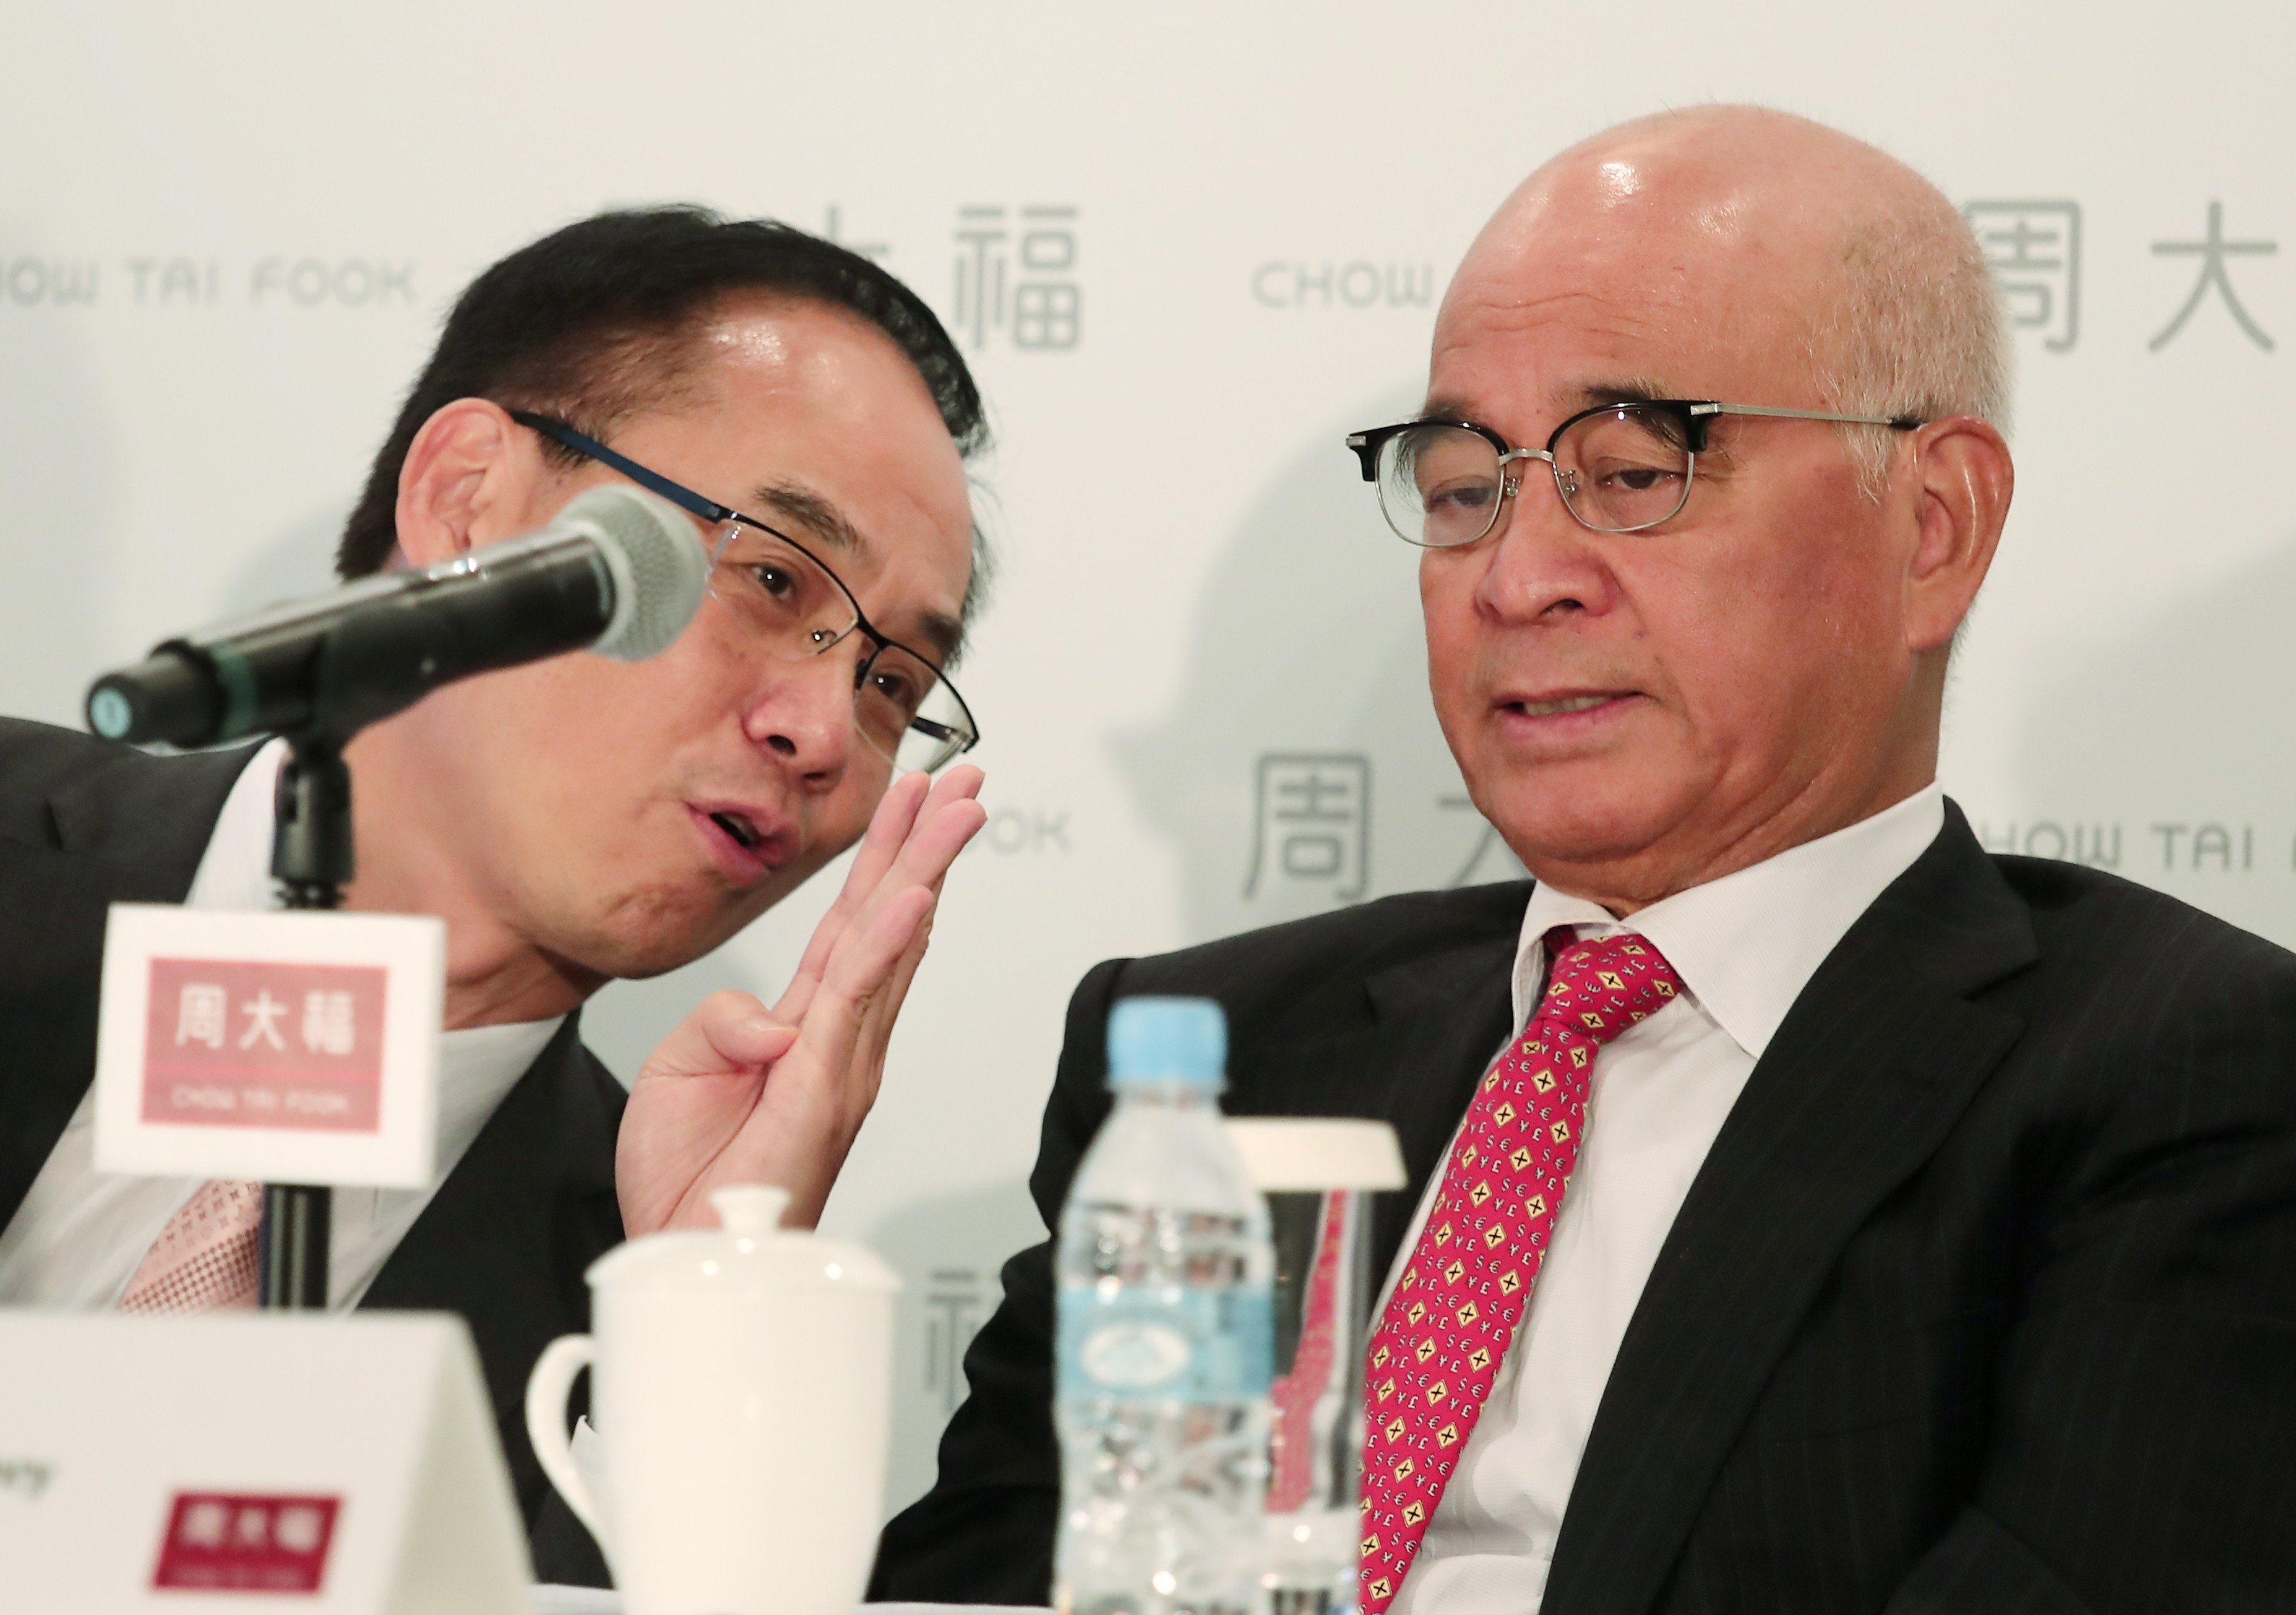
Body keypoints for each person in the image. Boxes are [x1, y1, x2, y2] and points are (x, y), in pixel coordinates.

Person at [872, 108, 2296, 1613]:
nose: (1517, 577)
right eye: (1461, 487)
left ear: (1931, 527)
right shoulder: (1211, 1059)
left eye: (1631, 471)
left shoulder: (2183, 1079)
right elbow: (981, 1593)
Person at [0, 206, 990, 1585]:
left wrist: (695, 1313)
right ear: (467, 496)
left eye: (890, 685)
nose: (824, 732)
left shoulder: (639, 1274)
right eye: (770, 578)